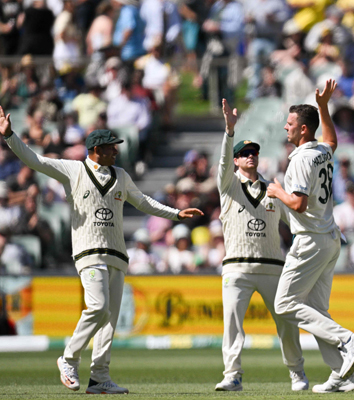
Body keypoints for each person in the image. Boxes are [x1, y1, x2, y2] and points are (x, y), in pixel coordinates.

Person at [0, 108, 203, 394]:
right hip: (88, 251)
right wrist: (9, 136)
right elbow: (36, 160)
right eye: (111, 147)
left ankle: (100, 377)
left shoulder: (120, 175)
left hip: (117, 254)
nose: (116, 152)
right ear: (96, 149)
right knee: (98, 307)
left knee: (109, 318)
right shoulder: (74, 169)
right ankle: (68, 358)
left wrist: (176, 214)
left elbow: (143, 202)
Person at [266, 79, 354, 393]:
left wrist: (277, 191)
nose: (286, 127)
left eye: (291, 123)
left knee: (284, 304)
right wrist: (323, 107)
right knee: (318, 310)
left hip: (309, 240)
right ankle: (342, 375)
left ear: (304, 130)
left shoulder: (298, 160)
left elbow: (298, 203)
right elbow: (332, 140)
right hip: (329, 238)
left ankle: (347, 339)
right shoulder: (321, 151)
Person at [214, 99, 305, 392]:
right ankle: (232, 375)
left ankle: (297, 373)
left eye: (253, 152)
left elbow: (294, 224)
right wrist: (230, 132)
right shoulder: (227, 185)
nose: (250, 156)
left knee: (287, 324)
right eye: (244, 153)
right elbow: (224, 164)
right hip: (237, 267)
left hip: (272, 268)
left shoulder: (272, 189)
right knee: (232, 325)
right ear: (237, 160)